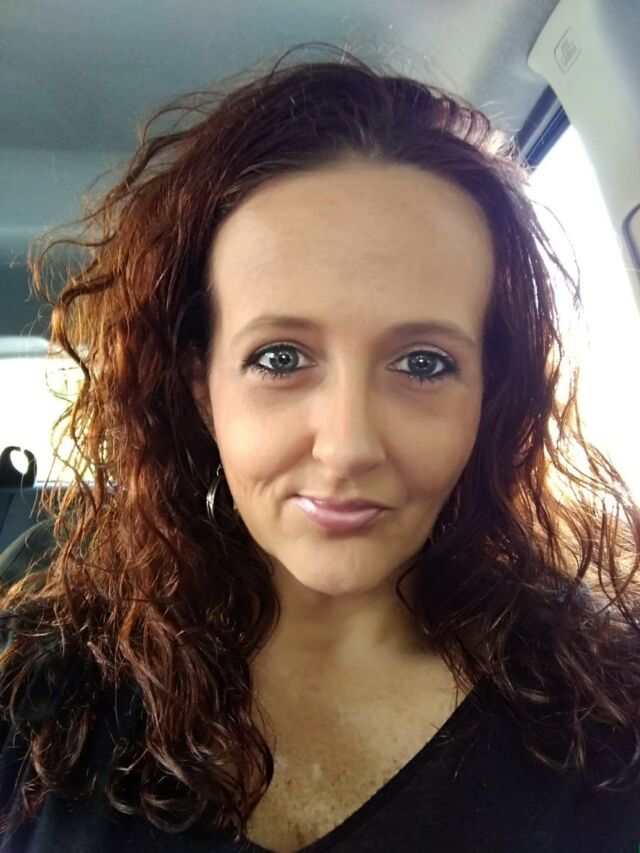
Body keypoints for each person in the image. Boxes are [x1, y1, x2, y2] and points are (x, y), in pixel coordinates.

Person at [1, 42, 640, 853]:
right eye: (280, 358)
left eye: (423, 363)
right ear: (200, 387)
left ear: (491, 393)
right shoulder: (35, 691)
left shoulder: (609, 719)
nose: (346, 448)